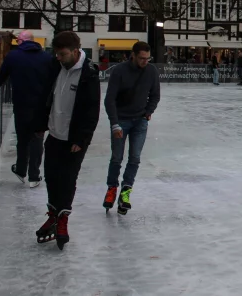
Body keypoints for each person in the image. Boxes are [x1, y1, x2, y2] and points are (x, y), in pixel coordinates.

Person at [34, 31, 100, 250]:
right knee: (51, 177)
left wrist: (82, 138)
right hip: (54, 134)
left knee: (67, 179)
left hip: (74, 139)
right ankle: (53, 214)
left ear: (75, 51)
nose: (59, 58)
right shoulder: (56, 66)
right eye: (57, 54)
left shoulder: (89, 73)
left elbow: (92, 110)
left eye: (62, 54)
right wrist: (41, 124)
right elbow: (46, 96)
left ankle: (62, 220)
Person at [0, 31, 54, 188]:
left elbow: (1, 77)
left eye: (18, 39)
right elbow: (54, 80)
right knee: (37, 139)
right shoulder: (47, 58)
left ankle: (21, 169)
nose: (17, 41)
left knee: (23, 139)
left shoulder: (13, 56)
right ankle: (34, 176)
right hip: (41, 107)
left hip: (21, 105)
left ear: (23, 41)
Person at [103, 41, 161, 216]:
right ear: (133, 56)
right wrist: (114, 123)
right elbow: (109, 99)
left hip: (140, 121)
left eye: (147, 58)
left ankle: (125, 192)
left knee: (134, 158)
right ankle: (112, 188)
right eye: (142, 58)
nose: (145, 61)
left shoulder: (151, 71)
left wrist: (149, 111)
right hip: (121, 121)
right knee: (116, 158)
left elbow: (155, 95)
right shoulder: (119, 71)